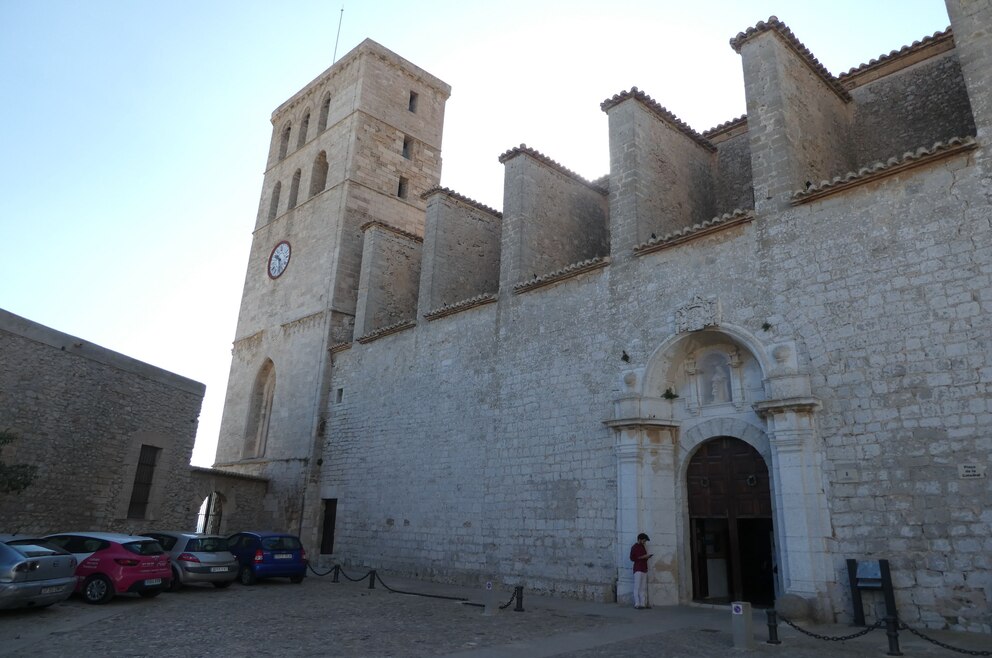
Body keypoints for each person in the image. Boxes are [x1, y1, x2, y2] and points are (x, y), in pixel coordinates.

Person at [630, 532, 652, 609]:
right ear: (639, 539)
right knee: (637, 587)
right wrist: (642, 557)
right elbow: (632, 558)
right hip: (638, 569)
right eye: (644, 540)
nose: (644, 542)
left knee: (643, 587)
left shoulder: (643, 547)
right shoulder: (634, 547)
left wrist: (646, 557)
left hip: (644, 568)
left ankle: (643, 603)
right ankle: (637, 603)